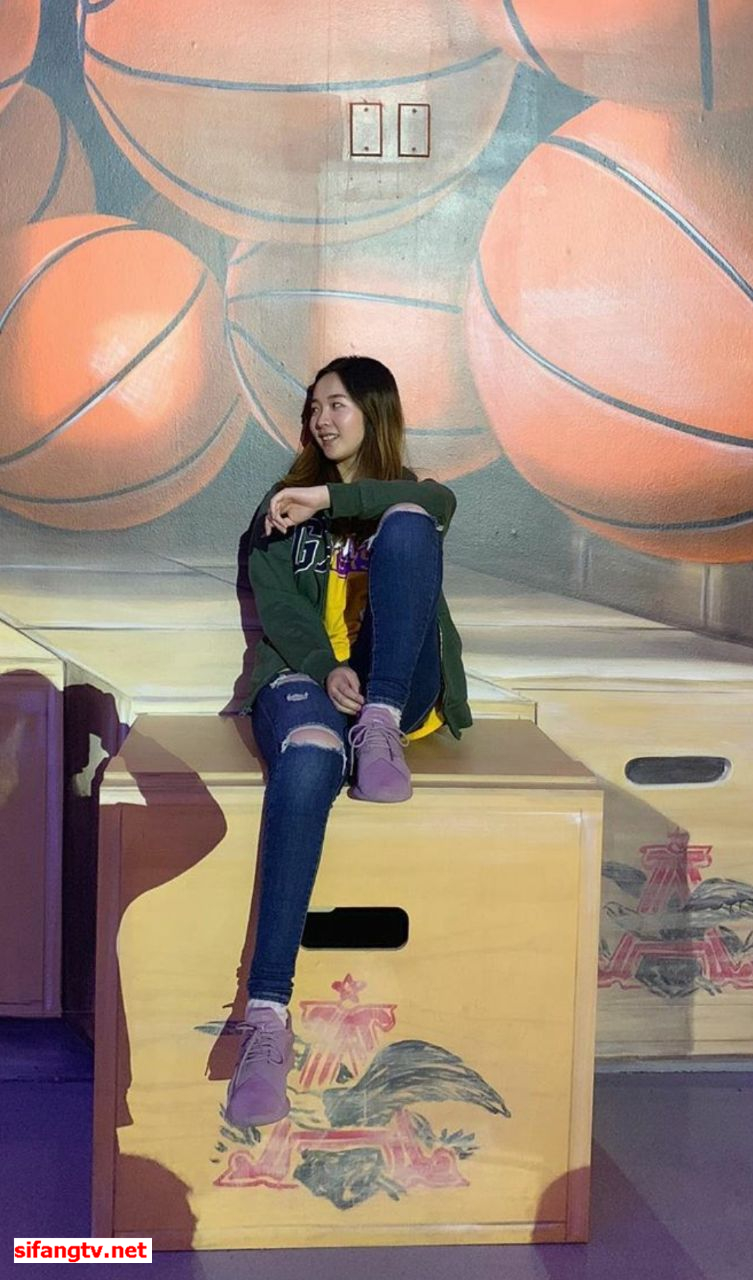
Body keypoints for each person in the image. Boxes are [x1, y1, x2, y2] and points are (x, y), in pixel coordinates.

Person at [225, 355, 472, 1128]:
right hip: (309, 677)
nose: (321, 420)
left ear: (374, 410)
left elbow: (439, 502)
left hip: (394, 684)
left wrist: (330, 498)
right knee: (306, 755)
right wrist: (323, 666)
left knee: (408, 523)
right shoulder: (281, 506)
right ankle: (265, 1019)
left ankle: (381, 727)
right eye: (313, 408)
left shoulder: (406, 497)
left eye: (336, 405)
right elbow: (278, 605)